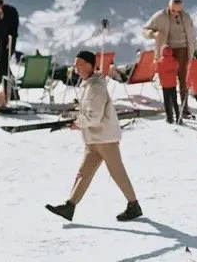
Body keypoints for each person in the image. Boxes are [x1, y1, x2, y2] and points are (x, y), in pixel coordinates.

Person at [45, 50, 142, 223]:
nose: (75, 67)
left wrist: (78, 123)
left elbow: (94, 117)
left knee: (117, 173)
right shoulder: (88, 85)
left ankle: (134, 205)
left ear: (89, 65)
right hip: (94, 139)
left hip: (105, 138)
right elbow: (88, 112)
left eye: (79, 64)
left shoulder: (96, 87)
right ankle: (70, 206)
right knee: (84, 173)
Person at [143, 0, 196, 117]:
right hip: (167, 52)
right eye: (173, 10)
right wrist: (153, 34)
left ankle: (184, 108)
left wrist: (193, 51)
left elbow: (192, 35)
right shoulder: (160, 16)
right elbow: (145, 30)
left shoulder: (187, 17)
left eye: (178, 11)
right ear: (169, 7)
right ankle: (172, 108)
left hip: (184, 50)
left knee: (184, 80)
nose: (175, 13)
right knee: (169, 81)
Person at [155, 46, 182, 124]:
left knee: (167, 101)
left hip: (165, 85)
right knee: (175, 101)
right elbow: (177, 67)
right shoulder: (174, 61)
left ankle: (169, 118)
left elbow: (156, 69)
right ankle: (178, 117)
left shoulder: (160, 62)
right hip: (173, 84)